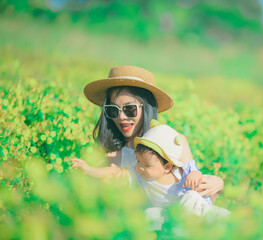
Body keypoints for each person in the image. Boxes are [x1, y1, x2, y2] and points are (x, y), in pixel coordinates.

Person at [72, 65, 224, 201]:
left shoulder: (174, 142)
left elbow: (200, 198)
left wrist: (218, 185)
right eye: (113, 110)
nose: (121, 117)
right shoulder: (110, 157)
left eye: (129, 109)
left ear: (147, 108)